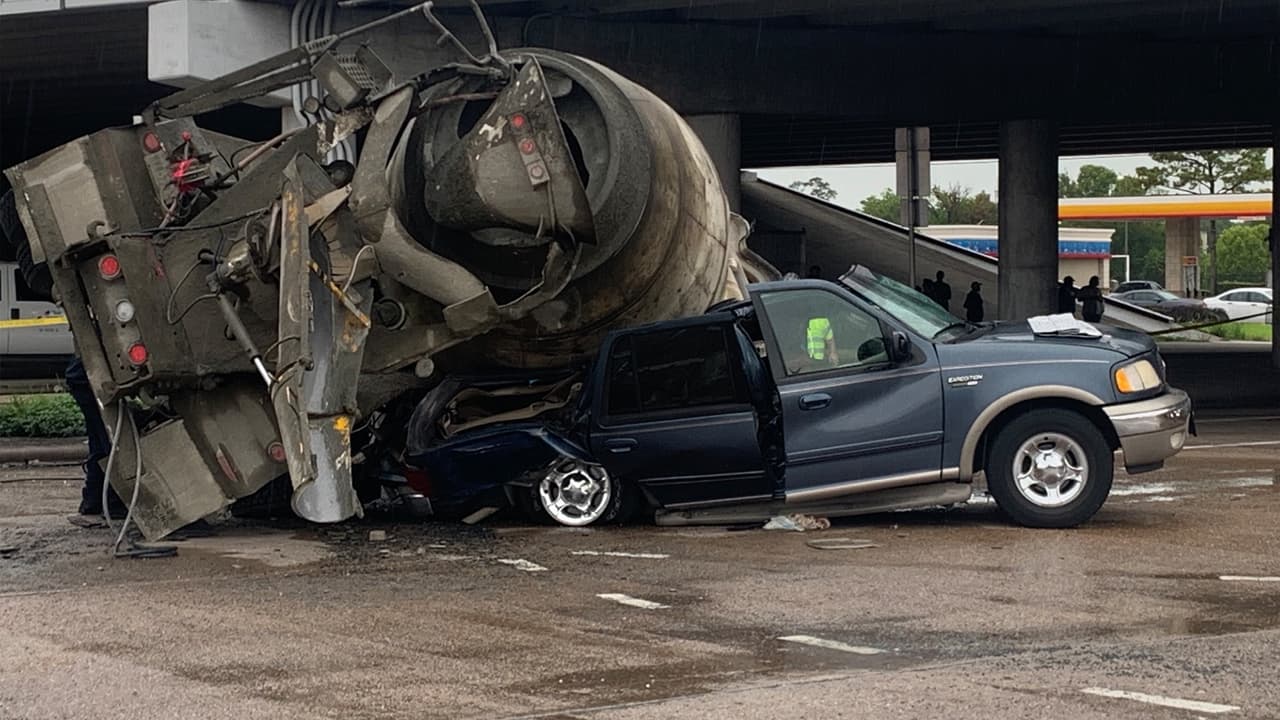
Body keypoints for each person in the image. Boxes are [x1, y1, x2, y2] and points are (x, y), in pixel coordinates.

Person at [66, 357, 125, 519]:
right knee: (110, 439)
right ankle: (113, 502)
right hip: (92, 380)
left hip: (85, 379)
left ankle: (94, 500)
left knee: (100, 439)